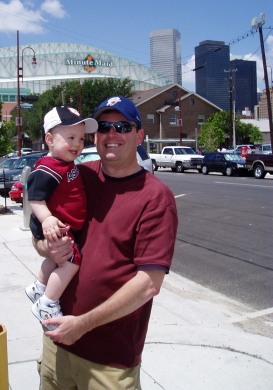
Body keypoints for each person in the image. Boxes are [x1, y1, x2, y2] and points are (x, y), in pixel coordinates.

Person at [33, 96, 178, 390]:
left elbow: (149, 283)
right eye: (104, 126)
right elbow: (39, 232)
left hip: (108, 362)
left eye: (122, 126)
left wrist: (82, 324)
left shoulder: (155, 197)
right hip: (57, 345)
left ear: (139, 136)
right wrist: (46, 247)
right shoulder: (78, 176)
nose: (111, 134)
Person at [26, 105, 98, 330]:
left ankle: (38, 287)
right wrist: (47, 220)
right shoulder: (48, 168)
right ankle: (46, 303)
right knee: (71, 262)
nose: (77, 143)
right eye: (70, 137)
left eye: (81, 138)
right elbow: (35, 198)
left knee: (56, 259)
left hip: (63, 226)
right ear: (49, 139)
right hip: (56, 226)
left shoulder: (64, 164)